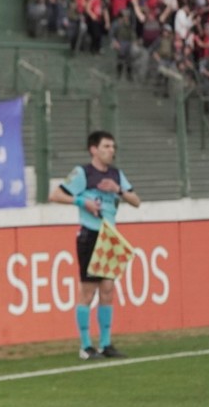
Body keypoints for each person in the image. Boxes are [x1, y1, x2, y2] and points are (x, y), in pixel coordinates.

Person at [48, 130, 141, 360]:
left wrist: (118, 190)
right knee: (88, 291)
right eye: (106, 146)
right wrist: (82, 201)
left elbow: (136, 200)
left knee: (108, 290)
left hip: (109, 238)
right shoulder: (83, 173)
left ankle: (106, 343)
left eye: (113, 147)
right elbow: (56, 195)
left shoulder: (116, 175)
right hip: (90, 235)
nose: (111, 151)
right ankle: (86, 345)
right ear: (94, 149)